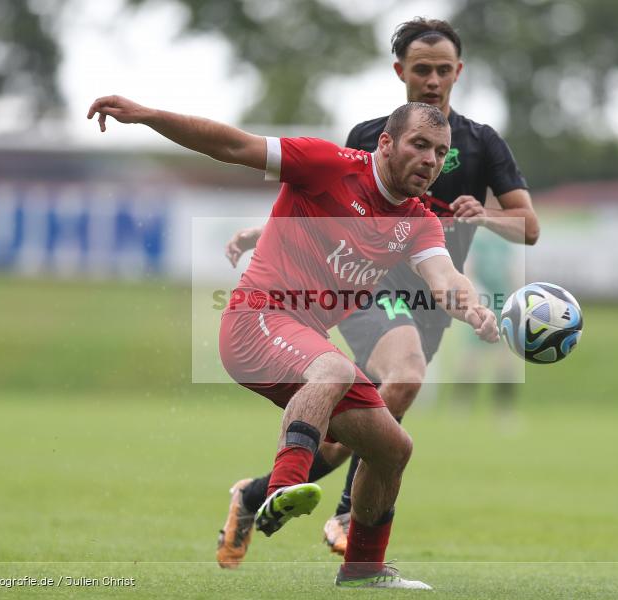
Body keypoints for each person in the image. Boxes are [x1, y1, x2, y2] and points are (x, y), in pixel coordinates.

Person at [88, 95, 499, 588]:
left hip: (304, 342)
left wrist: (472, 307)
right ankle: (282, 489)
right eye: (419, 145)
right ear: (386, 143)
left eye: (439, 151)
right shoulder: (326, 164)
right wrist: (148, 116)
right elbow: (233, 145)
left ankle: (363, 571)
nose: (430, 160)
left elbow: (445, 279)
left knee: (393, 447)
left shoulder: (417, 220)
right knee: (337, 368)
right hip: (254, 320)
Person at [220, 16, 538, 565]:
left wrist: (483, 215)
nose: (434, 80)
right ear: (401, 72)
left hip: (434, 294)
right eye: (422, 70)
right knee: (405, 374)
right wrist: (263, 232)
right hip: (369, 288)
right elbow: (326, 204)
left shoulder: (483, 142)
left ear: (459, 72)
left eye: (443, 70)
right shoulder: (370, 135)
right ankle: (345, 516)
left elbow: (528, 226)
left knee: (365, 424)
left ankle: (254, 493)